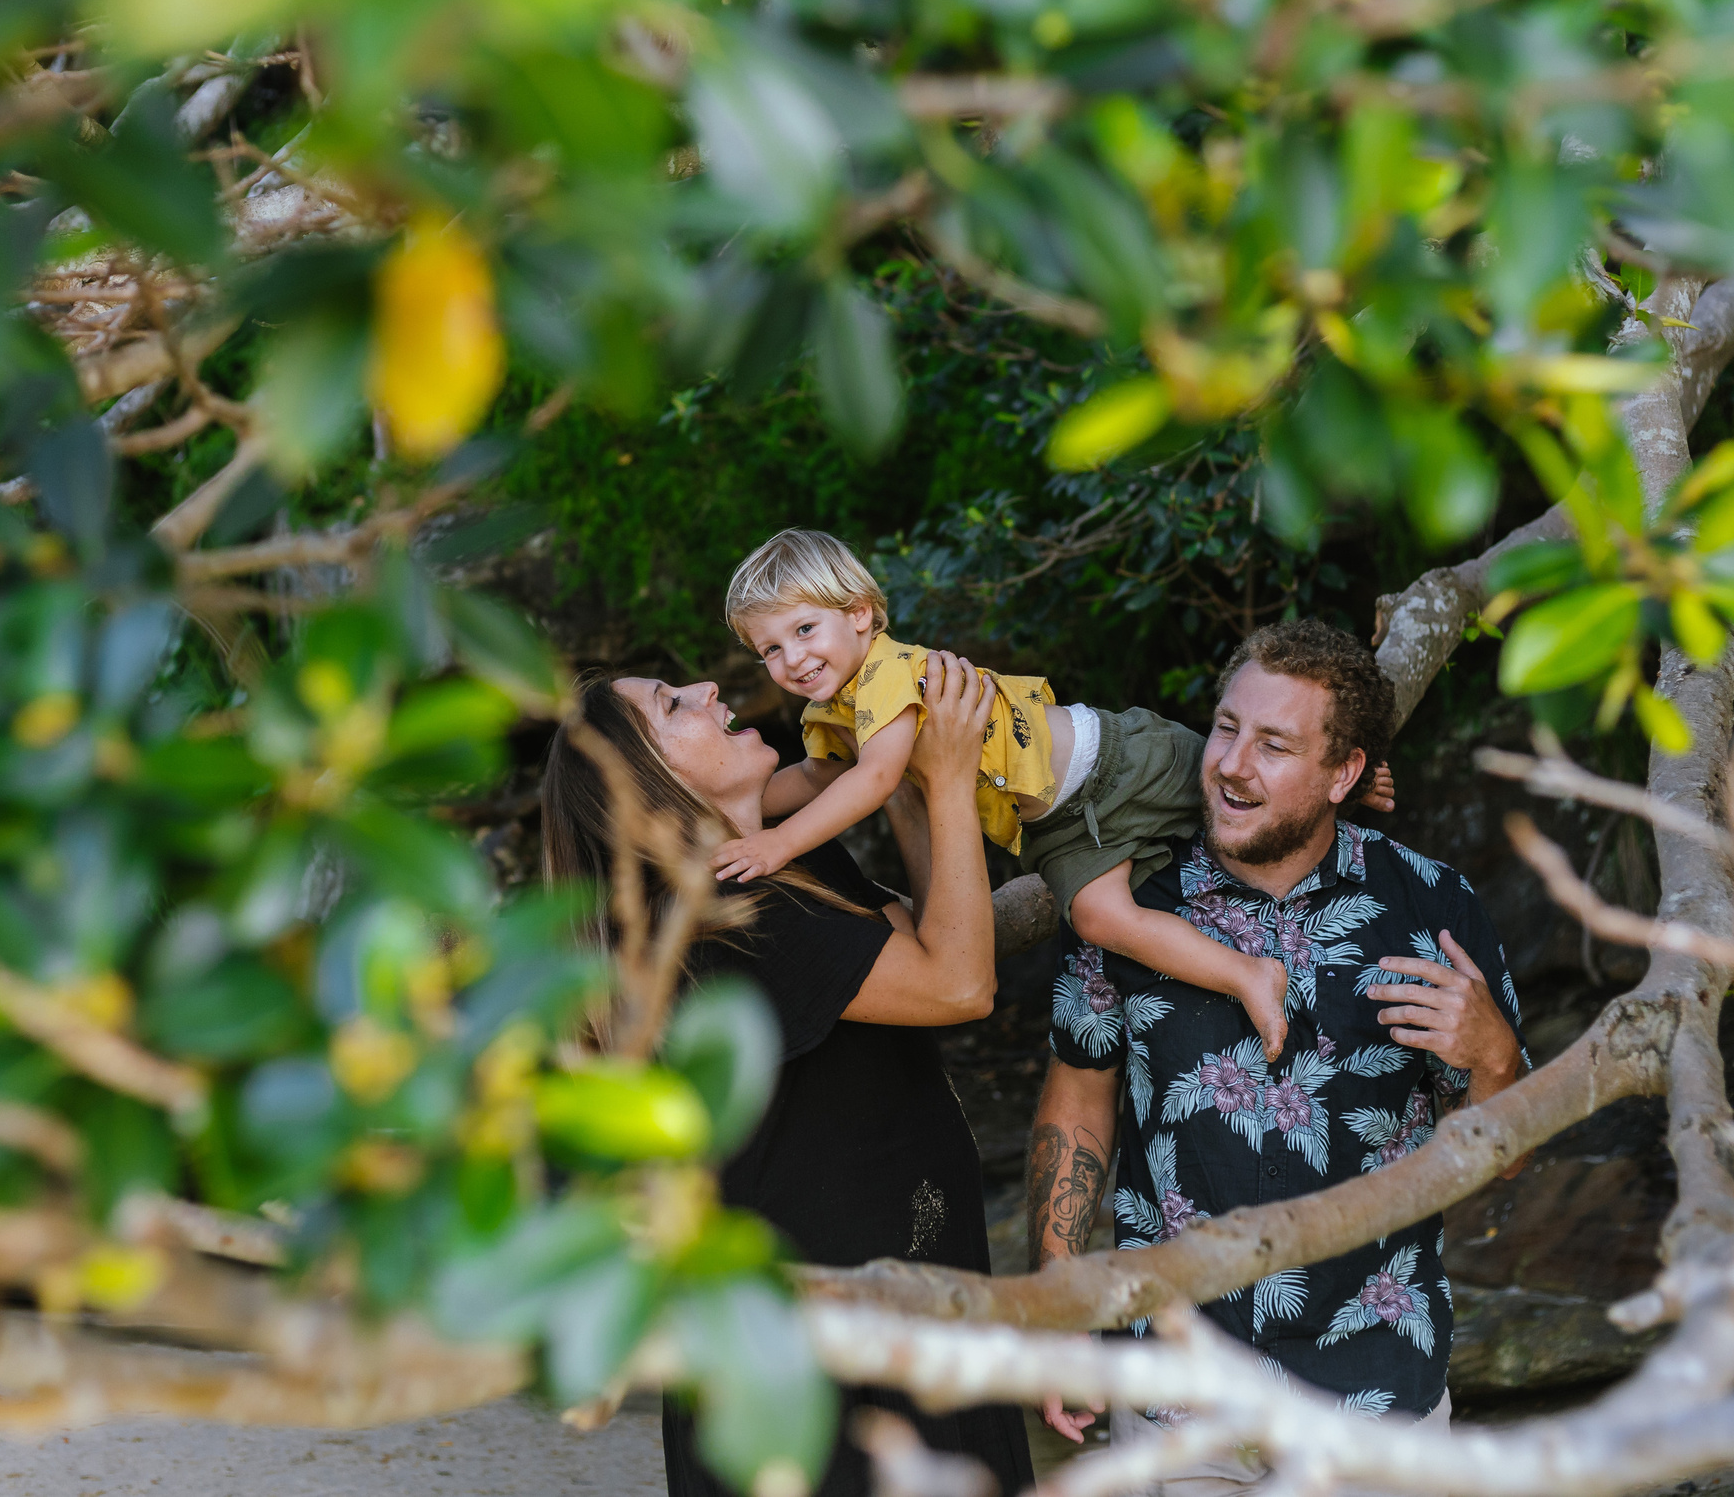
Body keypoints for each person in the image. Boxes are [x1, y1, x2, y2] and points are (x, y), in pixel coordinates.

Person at [1026, 618, 1529, 1493]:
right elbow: (1079, 1096)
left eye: (1273, 744)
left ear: (1343, 773)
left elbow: (1503, 1157)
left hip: (1375, 1398)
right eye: (1226, 727)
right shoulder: (1134, 901)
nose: (1231, 764)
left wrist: (1492, 1054)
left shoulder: (1431, 905)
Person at [539, 652, 1034, 1497]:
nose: (707, 691)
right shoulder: (729, 916)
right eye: (673, 704)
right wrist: (950, 780)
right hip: (829, 1368)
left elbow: (930, 938)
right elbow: (959, 983)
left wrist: (912, 776)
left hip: (901, 1317)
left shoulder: (775, 865)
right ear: (645, 779)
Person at [713, 528, 1394, 1059]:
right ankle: (1251, 974)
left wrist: (776, 843)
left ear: (860, 613)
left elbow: (876, 777)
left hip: (1115, 762)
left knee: (1244, 780)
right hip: (1064, 824)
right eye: (769, 649)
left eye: (804, 630)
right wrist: (714, 805)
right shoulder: (831, 711)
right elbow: (814, 777)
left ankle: (1352, 781)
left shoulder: (887, 674)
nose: (791, 659)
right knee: (1100, 918)